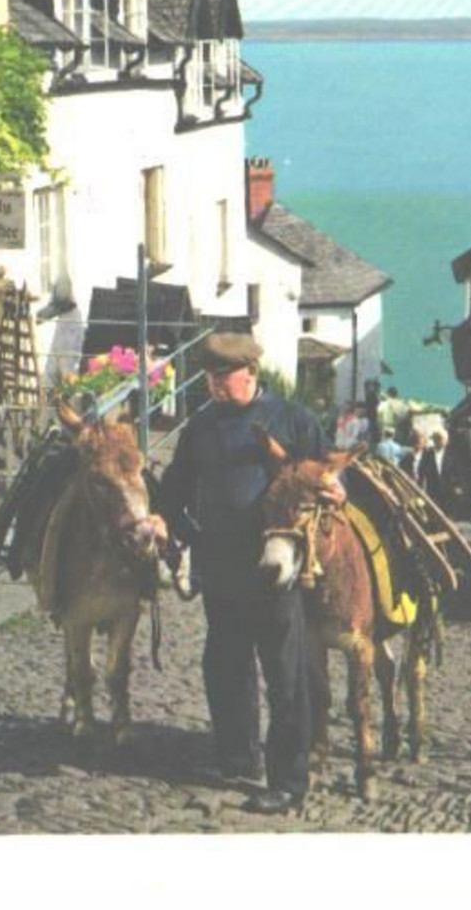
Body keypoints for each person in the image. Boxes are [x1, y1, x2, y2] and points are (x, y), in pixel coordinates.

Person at [159, 332, 323, 815]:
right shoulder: (202, 427)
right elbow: (174, 490)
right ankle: (239, 758)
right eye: (209, 377)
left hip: (274, 572)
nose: (215, 385)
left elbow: (330, 477)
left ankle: (289, 780)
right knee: (225, 668)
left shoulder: (293, 420)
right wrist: (172, 525)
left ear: (251, 373)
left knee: (286, 676)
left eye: (223, 377)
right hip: (222, 570)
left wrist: (335, 493)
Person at [417, 429, 453, 512]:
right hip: (432, 489)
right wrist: (420, 487)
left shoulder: (450, 454)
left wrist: (457, 485)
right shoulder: (428, 453)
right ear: (435, 440)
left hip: (447, 490)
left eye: (444, 439)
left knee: (446, 513)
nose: (443, 441)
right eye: (439, 439)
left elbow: (455, 470)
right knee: (433, 512)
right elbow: (421, 471)